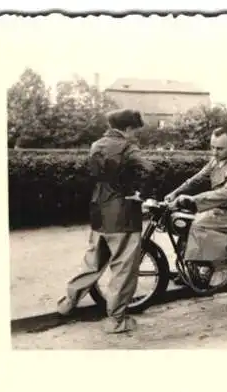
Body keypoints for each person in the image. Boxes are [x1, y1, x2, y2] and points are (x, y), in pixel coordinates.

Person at [57, 108, 155, 334]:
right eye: (135, 131)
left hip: (98, 211)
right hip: (123, 214)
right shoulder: (128, 147)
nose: (135, 135)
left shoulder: (96, 145)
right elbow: (150, 168)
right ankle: (117, 321)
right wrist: (141, 194)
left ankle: (68, 302)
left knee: (93, 262)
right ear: (128, 128)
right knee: (124, 269)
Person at [165, 126, 227, 288]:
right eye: (212, 147)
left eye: (219, 148)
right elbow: (196, 179)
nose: (215, 152)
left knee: (201, 225)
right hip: (224, 209)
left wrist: (193, 200)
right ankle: (194, 270)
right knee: (188, 222)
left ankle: (223, 269)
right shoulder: (216, 160)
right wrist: (175, 193)